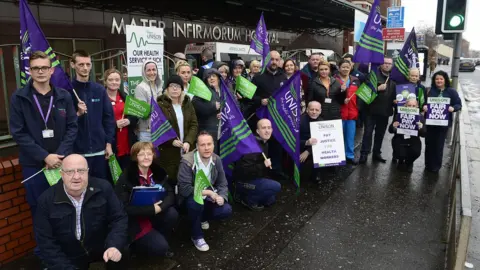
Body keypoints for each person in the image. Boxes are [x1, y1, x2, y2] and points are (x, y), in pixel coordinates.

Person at [9, 51, 78, 217]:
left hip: (62, 164)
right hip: (35, 167)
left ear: (51, 70)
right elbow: (18, 132)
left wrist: (59, 155)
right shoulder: (19, 98)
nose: (40, 71)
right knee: (39, 210)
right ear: (30, 71)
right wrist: (45, 157)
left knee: (66, 208)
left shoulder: (64, 96)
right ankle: (45, 244)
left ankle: (66, 243)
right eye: (36, 68)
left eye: (44, 67)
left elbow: (72, 127)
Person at [35, 154, 128, 269]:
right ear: (62, 174)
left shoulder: (103, 188)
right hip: (68, 257)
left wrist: (114, 245)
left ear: (88, 172)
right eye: (70, 172)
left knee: (123, 256)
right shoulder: (46, 200)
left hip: (103, 250)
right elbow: (46, 243)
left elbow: (119, 218)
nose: (76, 176)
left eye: (81, 171)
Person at [115, 142, 178, 258]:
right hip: (136, 221)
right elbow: (123, 207)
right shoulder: (126, 177)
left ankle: (158, 237)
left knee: (172, 214)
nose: (146, 157)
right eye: (141, 154)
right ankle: (137, 246)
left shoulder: (158, 172)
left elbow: (170, 194)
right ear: (135, 157)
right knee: (160, 248)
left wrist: (160, 208)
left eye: (149, 153)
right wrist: (152, 209)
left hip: (156, 212)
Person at [177, 131, 232, 252]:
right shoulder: (187, 161)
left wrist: (222, 196)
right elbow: (184, 189)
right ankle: (196, 236)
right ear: (197, 146)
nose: (206, 148)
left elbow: (222, 183)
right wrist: (208, 193)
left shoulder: (216, 159)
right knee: (195, 204)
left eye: (209, 144)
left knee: (226, 209)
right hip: (190, 197)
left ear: (213, 145)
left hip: (208, 197)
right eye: (202, 145)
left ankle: (202, 218)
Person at [70, 50, 115, 180]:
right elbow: (63, 122)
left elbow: (108, 119)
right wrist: (77, 113)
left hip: (100, 151)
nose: (85, 68)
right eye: (81, 64)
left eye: (88, 64)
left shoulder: (99, 89)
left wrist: (108, 143)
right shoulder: (67, 91)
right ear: (73, 65)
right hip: (78, 152)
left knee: (100, 188)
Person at [251, 50, 288, 179]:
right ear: (267, 60)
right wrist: (260, 100)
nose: (274, 62)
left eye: (277, 60)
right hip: (263, 116)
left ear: (280, 61)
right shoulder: (258, 78)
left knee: (277, 144)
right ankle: (262, 171)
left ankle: (276, 170)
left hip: (278, 118)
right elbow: (251, 96)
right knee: (263, 144)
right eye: (272, 59)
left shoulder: (284, 78)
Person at [157, 75, 198, 185]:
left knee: (187, 180)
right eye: (172, 86)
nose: (175, 89)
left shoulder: (187, 103)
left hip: (187, 150)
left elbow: (194, 125)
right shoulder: (160, 105)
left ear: (182, 89)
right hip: (169, 150)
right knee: (171, 181)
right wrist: (171, 141)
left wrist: (188, 141)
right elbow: (158, 128)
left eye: (178, 86)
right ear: (167, 88)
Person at [233, 119, 281, 211]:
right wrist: (263, 165)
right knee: (276, 187)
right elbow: (244, 171)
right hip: (244, 181)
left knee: (271, 199)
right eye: (263, 128)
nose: (267, 131)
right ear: (257, 131)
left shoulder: (264, 143)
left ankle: (249, 194)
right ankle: (247, 199)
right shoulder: (252, 147)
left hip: (256, 177)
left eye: (269, 128)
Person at [423, 71, 462, 173]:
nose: (439, 81)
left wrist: (453, 108)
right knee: (429, 144)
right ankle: (428, 164)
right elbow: (423, 102)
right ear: (434, 80)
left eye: (441, 79)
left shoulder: (451, 92)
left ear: (445, 80)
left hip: (442, 124)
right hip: (430, 123)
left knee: (438, 145)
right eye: (436, 79)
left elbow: (458, 104)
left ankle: (436, 166)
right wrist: (424, 107)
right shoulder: (429, 90)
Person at [359, 57, 396, 164]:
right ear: (381, 64)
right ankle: (364, 154)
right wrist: (377, 88)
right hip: (370, 110)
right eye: (385, 63)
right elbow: (364, 91)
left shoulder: (394, 77)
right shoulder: (372, 75)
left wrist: (395, 101)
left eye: (389, 63)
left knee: (380, 134)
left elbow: (395, 93)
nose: (387, 65)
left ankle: (376, 153)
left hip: (385, 111)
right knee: (368, 133)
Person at [104, 68, 138, 169]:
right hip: (110, 144)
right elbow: (97, 121)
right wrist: (115, 125)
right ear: (105, 81)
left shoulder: (125, 97)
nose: (114, 82)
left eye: (117, 80)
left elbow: (135, 116)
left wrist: (129, 121)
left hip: (126, 143)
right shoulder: (101, 98)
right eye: (110, 80)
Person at [389, 99, 426, 172]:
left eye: (413, 106)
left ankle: (409, 163)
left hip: (414, 140)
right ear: (405, 106)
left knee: (416, 152)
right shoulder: (398, 115)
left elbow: (424, 134)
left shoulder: (420, 117)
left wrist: (421, 128)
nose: (411, 108)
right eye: (409, 105)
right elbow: (390, 130)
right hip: (400, 138)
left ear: (417, 107)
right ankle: (400, 160)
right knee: (399, 150)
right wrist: (394, 126)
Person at [334, 60, 360, 165]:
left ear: (351, 68)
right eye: (343, 67)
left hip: (352, 114)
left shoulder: (356, 80)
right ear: (339, 68)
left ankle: (349, 156)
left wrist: (358, 108)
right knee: (338, 137)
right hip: (339, 113)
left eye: (347, 67)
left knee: (350, 137)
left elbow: (359, 96)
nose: (345, 69)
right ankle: (338, 156)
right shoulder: (334, 80)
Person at [192, 68, 222, 153]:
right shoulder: (202, 91)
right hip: (208, 131)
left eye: (214, 76)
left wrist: (223, 112)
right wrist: (212, 107)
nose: (211, 78)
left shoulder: (225, 90)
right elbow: (195, 105)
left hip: (223, 131)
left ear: (218, 78)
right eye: (209, 77)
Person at [134, 60, 162, 142]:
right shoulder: (141, 88)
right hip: (146, 131)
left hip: (158, 129)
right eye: (148, 70)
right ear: (144, 72)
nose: (152, 72)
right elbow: (142, 113)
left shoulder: (158, 86)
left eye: (154, 69)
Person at [299, 101, 323, 182]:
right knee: (299, 177)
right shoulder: (299, 121)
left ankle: (316, 174)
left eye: (317, 110)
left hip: (315, 149)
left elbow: (323, 142)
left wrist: (308, 151)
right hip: (300, 147)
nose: (314, 112)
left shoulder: (322, 122)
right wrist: (306, 143)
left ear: (320, 111)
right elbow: (293, 140)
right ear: (307, 110)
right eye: (312, 109)